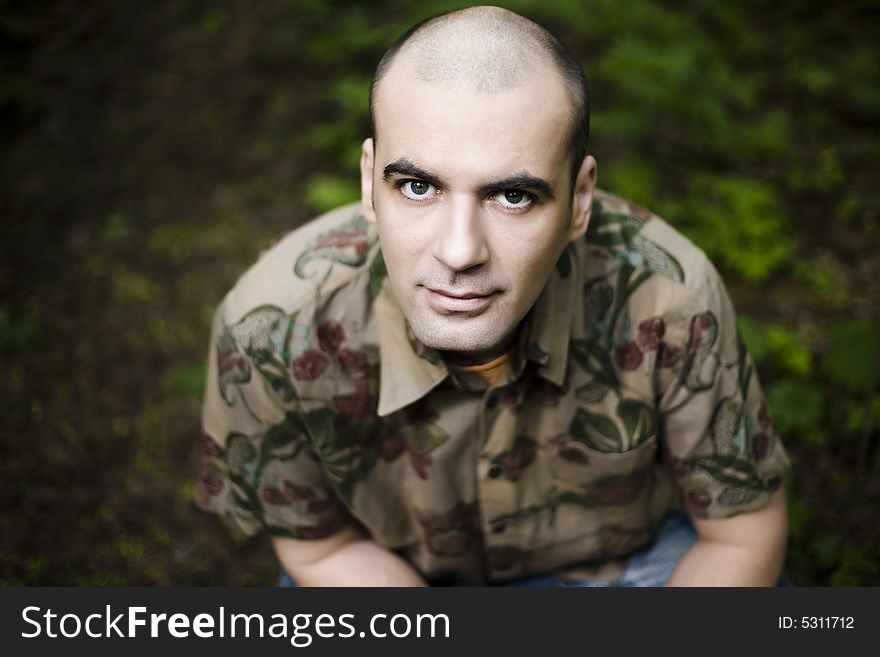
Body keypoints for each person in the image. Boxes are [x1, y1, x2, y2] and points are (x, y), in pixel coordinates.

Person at [195, 5, 791, 587]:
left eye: (513, 197)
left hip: (620, 570)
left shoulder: (669, 300)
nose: (459, 252)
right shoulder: (271, 331)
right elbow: (324, 552)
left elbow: (740, 535)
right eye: (418, 186)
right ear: (369, 183)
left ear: (580, 199)